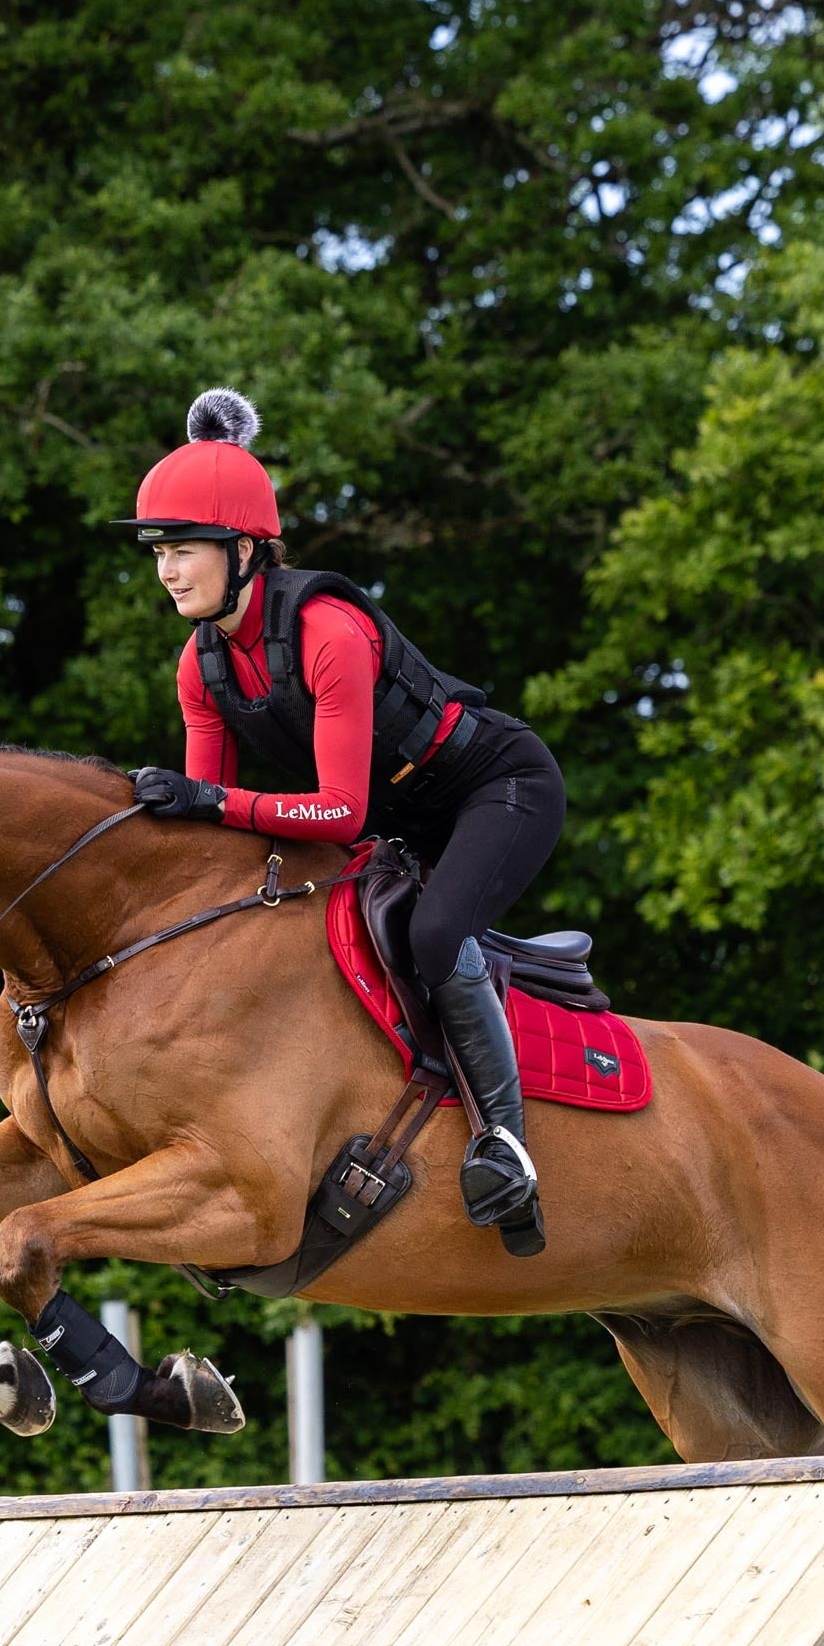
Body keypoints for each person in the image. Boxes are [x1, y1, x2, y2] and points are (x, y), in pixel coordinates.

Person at [119, 388, 565, 1257]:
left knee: (436, 932)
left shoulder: (326, 630)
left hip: (495, 788)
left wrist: (209, 801)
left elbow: (336, 809)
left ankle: (505, 1144)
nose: (167, 570)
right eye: (159, 552)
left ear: (243, 549)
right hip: (397, 823)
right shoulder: (200, 664)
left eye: (182, 549)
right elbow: (220, 844)